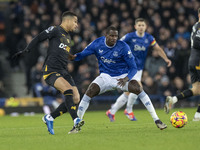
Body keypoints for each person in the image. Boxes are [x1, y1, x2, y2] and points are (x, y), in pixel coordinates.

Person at [71, 26, 167, 130]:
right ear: (106, 35)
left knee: (139, 89)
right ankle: (77, 125)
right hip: (105, 77)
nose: (114, 38)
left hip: (121, 77)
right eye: (111, 35)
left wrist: (127, 78)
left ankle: (157, 120)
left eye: (116, 36)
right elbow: (81, 55)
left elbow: (133, 68)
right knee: (89, 92)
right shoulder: (97, 43)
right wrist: (72, 57)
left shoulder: (123, 47)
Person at [13, 11, 84, 135]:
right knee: (68, 90)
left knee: (76, 98)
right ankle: (76, 120)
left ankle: (50, 117)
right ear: (67, 20)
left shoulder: (68, 37)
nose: (76, 25)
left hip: (64, 71)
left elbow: (63, 53)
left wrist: (73, 57)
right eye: (75, 21)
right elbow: (39, 37)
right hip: (51, 70)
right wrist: (26, 50)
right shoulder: (55, 30)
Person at [106, 18, 171, 121]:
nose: (141, 27)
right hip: (128, 67)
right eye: (139, 25)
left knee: (128, 93)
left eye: (143, 25)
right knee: (138, 87)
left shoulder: (149, 38)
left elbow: (157, 48)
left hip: (139, 69)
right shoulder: (130, 36)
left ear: (146, 27)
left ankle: (111, 111)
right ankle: (129, 110)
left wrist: (166, 58)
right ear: (135, 27)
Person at [164, 8, 200, 121]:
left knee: (196, 89)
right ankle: (198, 115)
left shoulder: (195, 26)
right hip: (198, 60)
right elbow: (197, 41)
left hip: (193, 60)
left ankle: (173, 99)